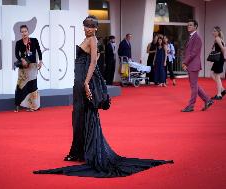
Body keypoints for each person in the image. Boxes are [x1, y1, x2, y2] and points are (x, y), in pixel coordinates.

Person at [33, 15, 173, 178]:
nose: (87, 29)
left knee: (83, 115)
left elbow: (93, 62)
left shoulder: (92, 39)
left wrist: (86, 83)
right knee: (79, 116)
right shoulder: (90, 40)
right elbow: (93, 58)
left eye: (90, 26)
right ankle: (78, 151)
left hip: (82, 81)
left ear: (96, 28)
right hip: (79, 80)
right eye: (85, 26)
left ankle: (82, 151)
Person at [181, 19, 213, 112]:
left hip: (194, 64)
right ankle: (208, 100)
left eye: (190, 25)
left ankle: (191, 106)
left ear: (195, 27)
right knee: (194, 85)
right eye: (188, 25)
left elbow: (193, 53)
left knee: (193, 86)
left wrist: (185, 62)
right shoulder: (191, 37)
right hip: (191, 64)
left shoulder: (197, 38)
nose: (188, 26)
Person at [14, 25, 43, 112]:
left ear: (28, 32)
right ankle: (17, 105)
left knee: (33, 85)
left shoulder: (34, 40)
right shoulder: (18, 43)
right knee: (20, 85)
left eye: (25, 31)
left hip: (33, 66)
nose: (24, 33)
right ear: (20, 33)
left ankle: (34, 106)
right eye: (22, 32)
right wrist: (22, 59)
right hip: (23, 67)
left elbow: (39, 50)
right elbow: (16, 54)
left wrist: (40, 61)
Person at [210, 26, 226, 100]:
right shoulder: (220, 39)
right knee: (213, 74)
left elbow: (223, 48)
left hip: (219, 59)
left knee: (217, 76)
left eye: (214, 31)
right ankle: (222, 90)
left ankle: (219, 94)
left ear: (218, 32)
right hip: (220, 59)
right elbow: (223, 48)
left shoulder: (217, 39)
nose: (213, 32)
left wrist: (224, 56)